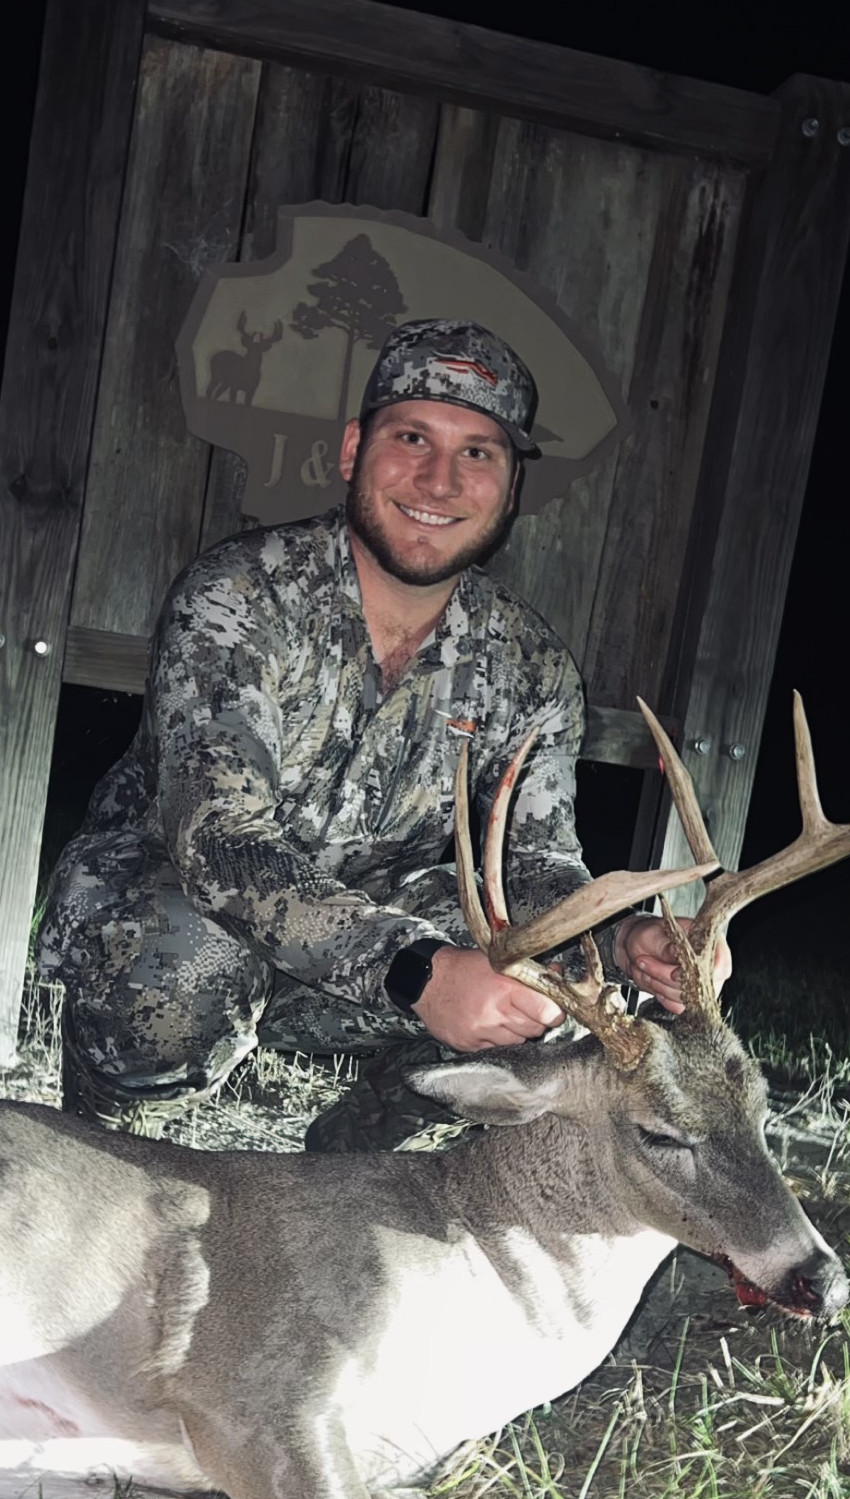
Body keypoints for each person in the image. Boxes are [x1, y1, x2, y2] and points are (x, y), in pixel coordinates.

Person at [38, 319, 728, 1147]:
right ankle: (102, 1132)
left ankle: (369, 1149)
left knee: (554, 978)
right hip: (182, 917)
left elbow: (537, 866)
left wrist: (625, 939)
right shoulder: (240, 596)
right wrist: (419, 972)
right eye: (412, 438)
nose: (440, 480)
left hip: (375, 944)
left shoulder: (532, 666)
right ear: (352, 450)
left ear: (511, 489)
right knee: (182, 965)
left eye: (478, 452)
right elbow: (219, 840)